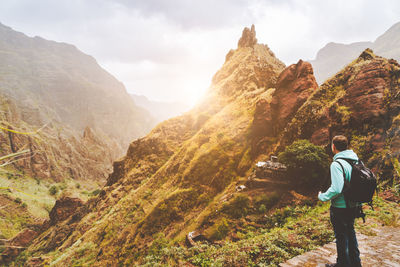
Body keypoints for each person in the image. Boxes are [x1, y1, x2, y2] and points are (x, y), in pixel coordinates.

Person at [318, 135, 362, 267]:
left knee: (341, 237)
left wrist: (323, 197)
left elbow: (337, 188)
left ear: (333, 146)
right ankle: (355, 263)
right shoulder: (355, 160)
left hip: (340, 207)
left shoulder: (336, 164)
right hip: (354, 205)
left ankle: (342, 264)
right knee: (350, 233)